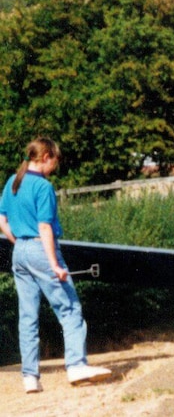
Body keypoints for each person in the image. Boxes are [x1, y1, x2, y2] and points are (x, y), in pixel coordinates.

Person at [0, 138, 112, 393]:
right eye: (55, 160)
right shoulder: (43, 186)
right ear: (47, 156)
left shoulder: (12, 182)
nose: (55, 166)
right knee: (70, 308)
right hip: (42, 249)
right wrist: (54, 265)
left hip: (19, 251)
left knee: (27, 316)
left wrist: (20, 243)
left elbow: (1, 220)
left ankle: (30, 377)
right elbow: (44, 227)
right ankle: (76, 366)